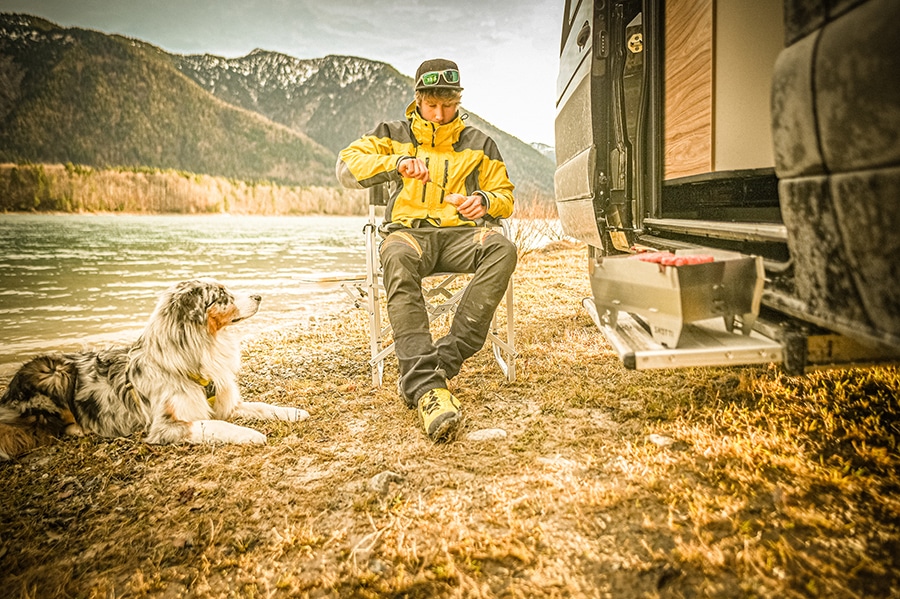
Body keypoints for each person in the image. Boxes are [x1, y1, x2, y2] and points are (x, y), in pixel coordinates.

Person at [336, 58, 517, 443]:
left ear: (458, 100)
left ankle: (442, 361)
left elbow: (505, 196)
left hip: (461, 236)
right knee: (397, 257)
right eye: (432, 105)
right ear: (418, 99)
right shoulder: (392, 133)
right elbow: (346, 167)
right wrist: (397, 162)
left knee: (502, 248)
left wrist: (484, 202)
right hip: (409, 234)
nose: (439, 114)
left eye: (448, 105)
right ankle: (427, 389)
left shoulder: (480, 143)